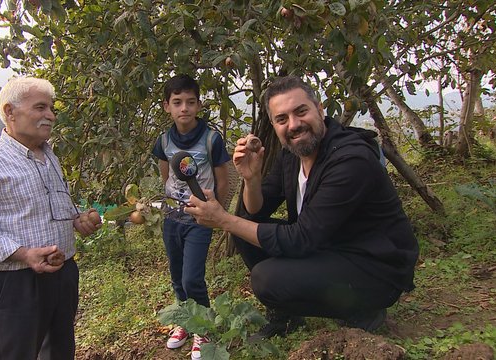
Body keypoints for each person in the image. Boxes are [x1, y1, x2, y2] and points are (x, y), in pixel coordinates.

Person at [184, 76, 419, 339]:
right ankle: (288, 317)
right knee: (244, 230)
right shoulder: (293, 154)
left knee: (267, 278)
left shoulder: (350, 160)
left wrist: (223, 220)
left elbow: (301, 239)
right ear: (274, 125)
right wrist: (251, 179)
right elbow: (256, 212)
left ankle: (365, 309)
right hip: (332, 247)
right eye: (282, 119)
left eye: (301, 111)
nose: (294, 125)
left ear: (319, 109)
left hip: (375, 267)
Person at [0, 77, 102, 359]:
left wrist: (78, 220)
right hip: (16, 285)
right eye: (41, 107)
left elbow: (52, 208)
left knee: (59, 352)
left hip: (63, 275)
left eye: (51, 108)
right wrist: (24, 254)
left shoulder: (49, 155)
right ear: (10, 112)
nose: (51, 116)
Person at [151, 74, 231, 359]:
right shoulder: (163, 140)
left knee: (192, 279)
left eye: (190, 102)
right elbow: (165, 173)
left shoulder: (211, 139)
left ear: (198, 105)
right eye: (177, 102)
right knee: (176, 276)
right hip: (173, 217)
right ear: (166, 106)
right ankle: (186, 321)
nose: (184, 108)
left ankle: (204, 328)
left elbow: (223, 177)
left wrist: (217, 211)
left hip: (200, 218)